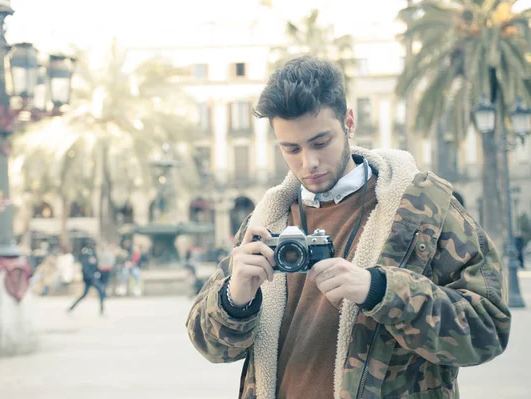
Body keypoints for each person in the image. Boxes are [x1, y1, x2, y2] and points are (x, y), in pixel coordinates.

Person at [186, 56, 511, 399]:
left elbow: (487, 330)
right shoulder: (267, 220)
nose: (308, 162)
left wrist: (380, 290)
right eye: (291, 148)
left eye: (320, 142)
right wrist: (235, 300)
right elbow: (210, 346)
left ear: (349, 123)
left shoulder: (423, 207)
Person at [67, 241, 105, 315]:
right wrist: (92, 276)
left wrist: (97, 273)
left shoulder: (92, 253)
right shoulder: (86, 254)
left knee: (85, 294)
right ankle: (102, 310)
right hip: (90, 278)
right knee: (100, 291)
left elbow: (95, 265)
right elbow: (86, 267)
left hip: (91, 277)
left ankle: (71, 308)